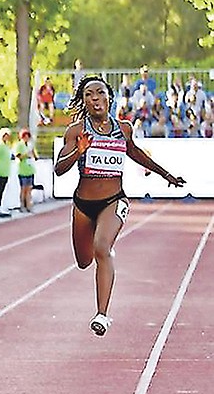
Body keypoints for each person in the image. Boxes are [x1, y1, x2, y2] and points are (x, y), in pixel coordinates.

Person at [54, 75, 185, 337]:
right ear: (84, 102)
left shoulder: (123, 129)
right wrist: (78, 152)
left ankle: (102, 315)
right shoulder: (76, 131)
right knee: (83, 261)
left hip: (114, 200)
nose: (95, 99)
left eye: (100, 93)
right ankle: (96, 267)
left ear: (109, 98)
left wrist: (166, 175)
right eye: (89, 95)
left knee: (103, 247)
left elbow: (135, 153)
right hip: (83, 204)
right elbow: (59, 169)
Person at [15, 129, 37, 212]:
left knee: (29, 189)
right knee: (23, 189)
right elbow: (18, 156)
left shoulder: (30, 145)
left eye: (28, 136)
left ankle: (28, 205)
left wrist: (33, 153)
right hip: (22, 169)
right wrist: (26, 154)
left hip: (30, 169)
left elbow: (35, 156)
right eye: (25, 136)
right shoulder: (19, 145)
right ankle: (22, 205)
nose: (26, 138)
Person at [0, 127, 13, 217]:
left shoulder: (6, 146)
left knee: (3, 188)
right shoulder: (0, 146)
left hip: (6, 169)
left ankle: (0, 205)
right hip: (1, 169)